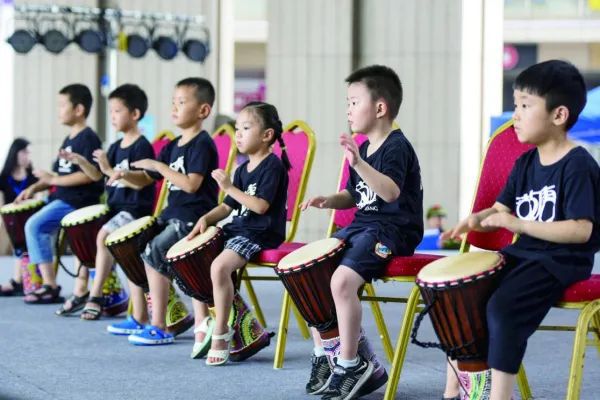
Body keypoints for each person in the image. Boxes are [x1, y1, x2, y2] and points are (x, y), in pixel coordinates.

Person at [440, 60, 600, 400]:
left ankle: (500, 395)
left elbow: (581, 231)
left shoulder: (578, 164)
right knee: (464, 294)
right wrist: (475, 220)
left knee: (503, 307)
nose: (516, 114)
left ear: (558, 115)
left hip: (561, 259)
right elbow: (501, 209)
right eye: (516, 105)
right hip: (525, 254)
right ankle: (456, 389)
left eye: (525, 106)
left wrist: (519, 224)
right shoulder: (525, 162)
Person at [300, 65, 424, 399]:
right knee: (310, 271)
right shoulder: (364, 148)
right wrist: (331, 199)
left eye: (354, 102)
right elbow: (357, 195)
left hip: (392, 231)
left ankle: (351, 363)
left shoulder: (396, 147)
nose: (348, 109)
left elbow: (390, 193)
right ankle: (326, 353)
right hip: (363, 226)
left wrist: (357, 164)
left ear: (380, 108)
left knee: (341, 282)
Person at [186, 101, 289, 365]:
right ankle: (207, 321)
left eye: (245, 128)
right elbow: (226, 207)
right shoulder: (243, 170)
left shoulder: (272, 166)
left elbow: (260, 206)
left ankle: (221, 331)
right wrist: (206, 218)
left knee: (219, 267)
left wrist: (229, 187)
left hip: (260, 232)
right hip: (239, 229)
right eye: (237, 129)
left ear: (267, 136)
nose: (238, 134)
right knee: (192, 258)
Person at [119, 77, 218, 345]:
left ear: (203, 111)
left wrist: (159, 166)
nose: (174, 107)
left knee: (154, 249)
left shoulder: (202, 144)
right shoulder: (173, 145)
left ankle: (159, 324)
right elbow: (146, 177)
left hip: (192, 219)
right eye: (173, 102)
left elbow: (191, 184)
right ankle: (161, 314)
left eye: (182, 102)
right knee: (134, 244)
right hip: (171, 217)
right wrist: (122, 174)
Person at [55, 84, 155, 319]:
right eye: (110, 111)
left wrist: (114, 171)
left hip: (134, 210)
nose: (112, 116)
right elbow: (98, 175)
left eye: (117, 111)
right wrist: (81, 161)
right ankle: (92, 290)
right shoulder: (115, 146)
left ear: (135, 114)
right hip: (115, 208)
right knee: (86, 232)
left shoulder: (142, 145)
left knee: (102, 235)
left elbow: (144, 181)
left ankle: (96, 294)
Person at [16, 84, 104, 304]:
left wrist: (53, 180)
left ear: (79, 109)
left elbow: (88, 176)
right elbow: (57, 174)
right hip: (61, 198)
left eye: (62, 105)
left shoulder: (88, 138)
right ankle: (33, 279)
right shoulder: (68, 140)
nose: (58, 110)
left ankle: (49, 285)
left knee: (34, 225)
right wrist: (34, 188)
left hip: (77, 201)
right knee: (28, 220)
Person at [0, 138, 38, 296]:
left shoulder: (31, 176)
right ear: (15, 153)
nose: (27, 156)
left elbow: (38, 199)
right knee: (19, 245)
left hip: (29, 218)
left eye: (28, 152)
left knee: (27, 246)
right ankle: (19, 280)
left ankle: (22, 280)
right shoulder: (3, 178)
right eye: (24, 152)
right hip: (10, 221)